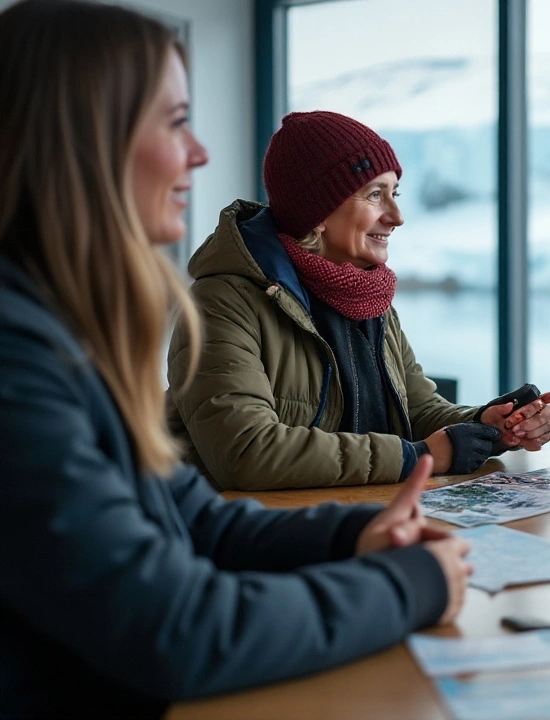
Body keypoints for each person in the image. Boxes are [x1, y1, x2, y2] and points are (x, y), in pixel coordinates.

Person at [0, 2, 471, 716]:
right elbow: (176, 629)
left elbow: (198, 520)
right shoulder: (15, 359)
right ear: (84, 139)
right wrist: (411, 585)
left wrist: (356, 534)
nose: (201, 153)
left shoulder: (62, 332)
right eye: (176, 121)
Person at [166, 110, 550, 490]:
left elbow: (418, 412)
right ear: (318, 212)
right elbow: (247, 453)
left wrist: (488, 424)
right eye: (375, 195)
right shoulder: (222, 303)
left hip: (355, 522)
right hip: (249, 540)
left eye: (395, 193)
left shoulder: (370, 296)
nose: (397, 216)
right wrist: (419, 457)